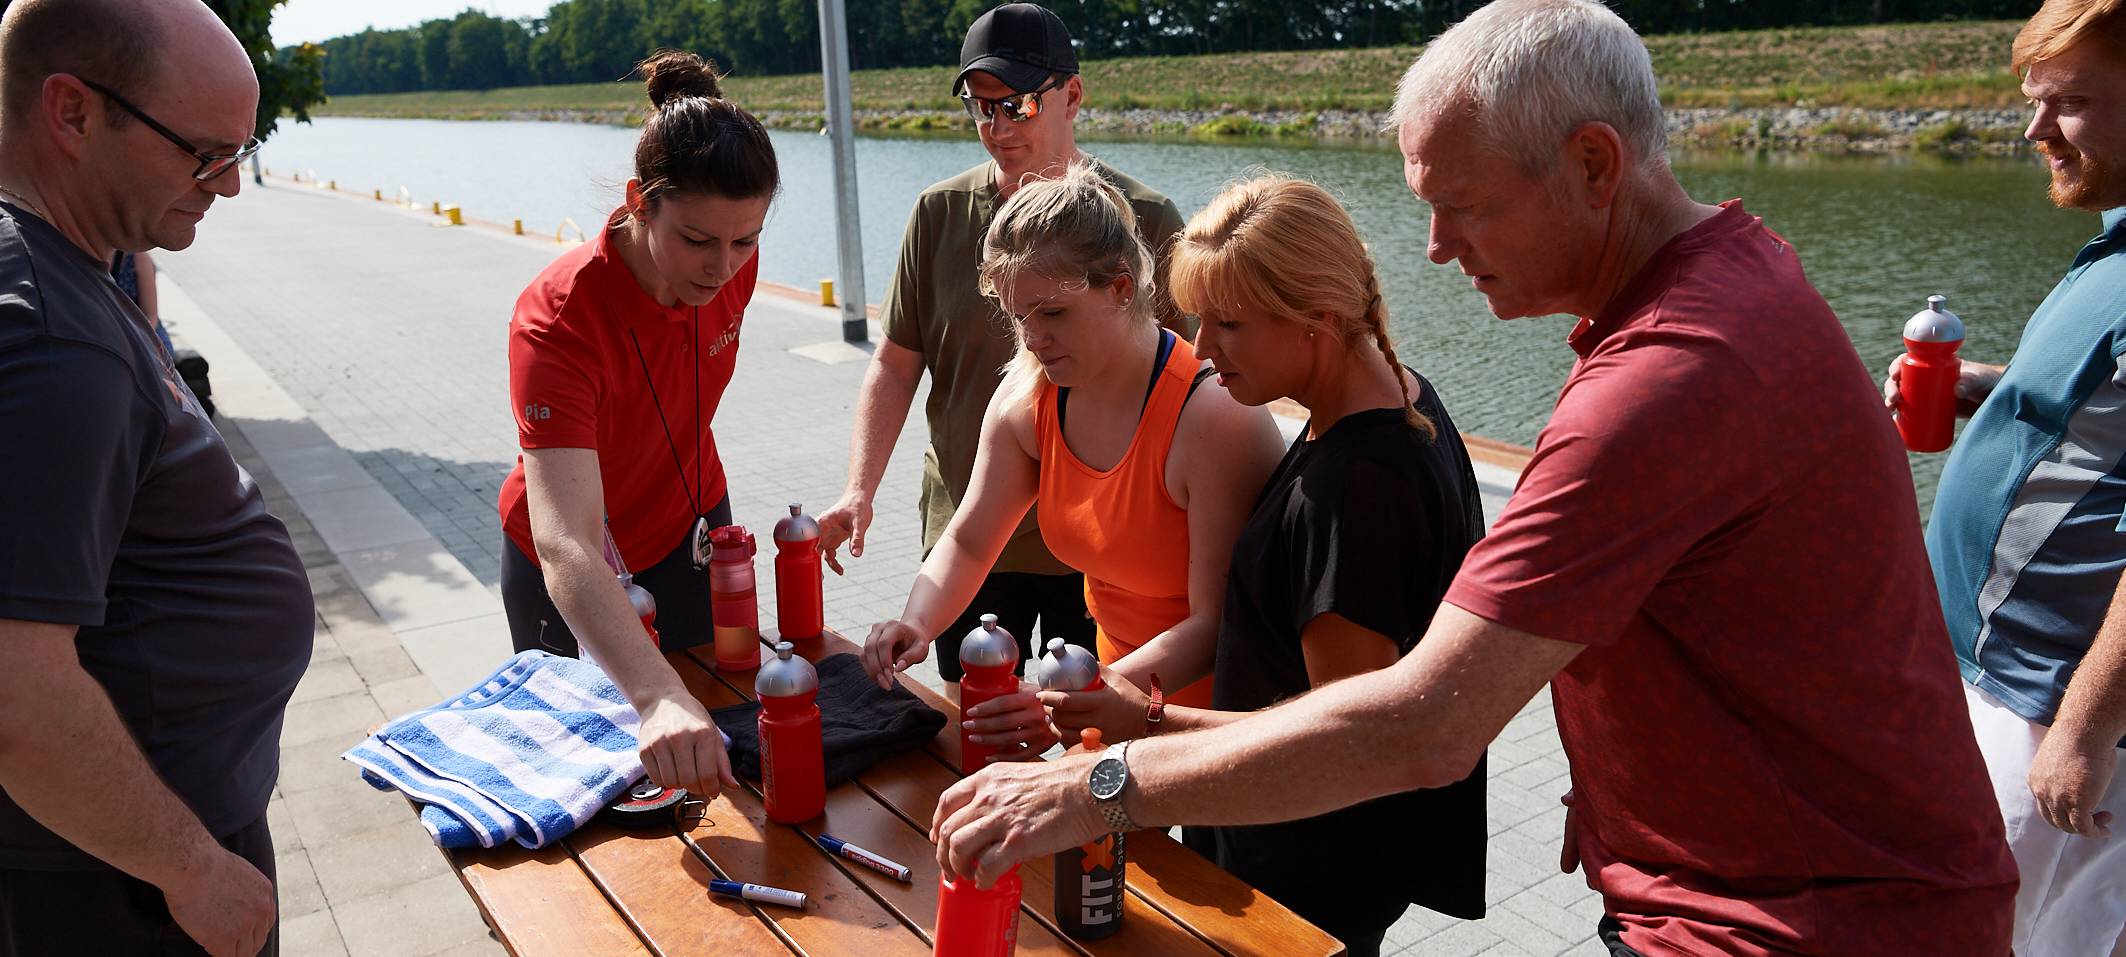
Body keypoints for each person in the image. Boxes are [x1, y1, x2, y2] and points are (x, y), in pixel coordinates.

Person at [928, 2, 2020, 953]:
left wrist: (1093, 785)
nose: (1437, 248)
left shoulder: (1666, 380)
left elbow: (1419, 727)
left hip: (1798, 921)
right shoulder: (1733, 276)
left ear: (1594, 165)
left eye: (1464, 205)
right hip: (1770, 882)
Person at [1041, 175, 1487, 956]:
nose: (1202, 350)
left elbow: (1345, 742)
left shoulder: (1354, 490)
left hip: (1307, 873)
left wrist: (1147, 723)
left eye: (1230, 324)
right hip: (1309, 847)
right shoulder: (1403, 402)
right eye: (1198, 320)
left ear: (1318, 318)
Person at [0, 1, 305, 954]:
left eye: (240, 153)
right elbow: (15, 689)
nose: (230, 185)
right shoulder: (55, 344)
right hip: (122, 888)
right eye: (205, 154)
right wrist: (192, 868)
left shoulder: (64, 267)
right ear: (74, 112)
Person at [817, 3, 1188, 687]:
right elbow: (895, 366)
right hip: (969, 531)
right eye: (980, 108)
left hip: (1103, 549)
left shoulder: (1146, 220)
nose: (997, 128)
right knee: (975, 725)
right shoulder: (938, 213)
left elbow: (1193, 381)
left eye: (1017, 105)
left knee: (1090, 726)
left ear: (1072, 96)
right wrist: (858, 489)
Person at [861, 164, 1283, 748]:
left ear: (1121, 288)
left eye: (1053, 313)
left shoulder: (1214, 416)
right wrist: (917, 621)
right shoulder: (1028, 400)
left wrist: (1084, 697)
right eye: (1018, 316)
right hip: (1113, 696)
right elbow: (971, 541)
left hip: (1221, 721)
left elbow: (1215, 625)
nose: (1033, 339)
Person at [1885, 2, 2126, 952]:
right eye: (2034, 100)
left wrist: (2085, 731)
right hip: (2000, 683)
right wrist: (1991, 389)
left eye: (2070, 103)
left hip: (2047, 708)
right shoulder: (2117, 232)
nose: (2035, 131)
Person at [495, 51, 774, 803]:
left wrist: (674, 699)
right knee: (594, 783)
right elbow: (567, 539)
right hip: (577, 562)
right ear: (639, 204)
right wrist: (653, 695)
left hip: (689, 525)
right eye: (697, 241)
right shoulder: (558, 320)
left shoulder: (728, 259)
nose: (723, 269)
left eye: (746, 241)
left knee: (719, 736)